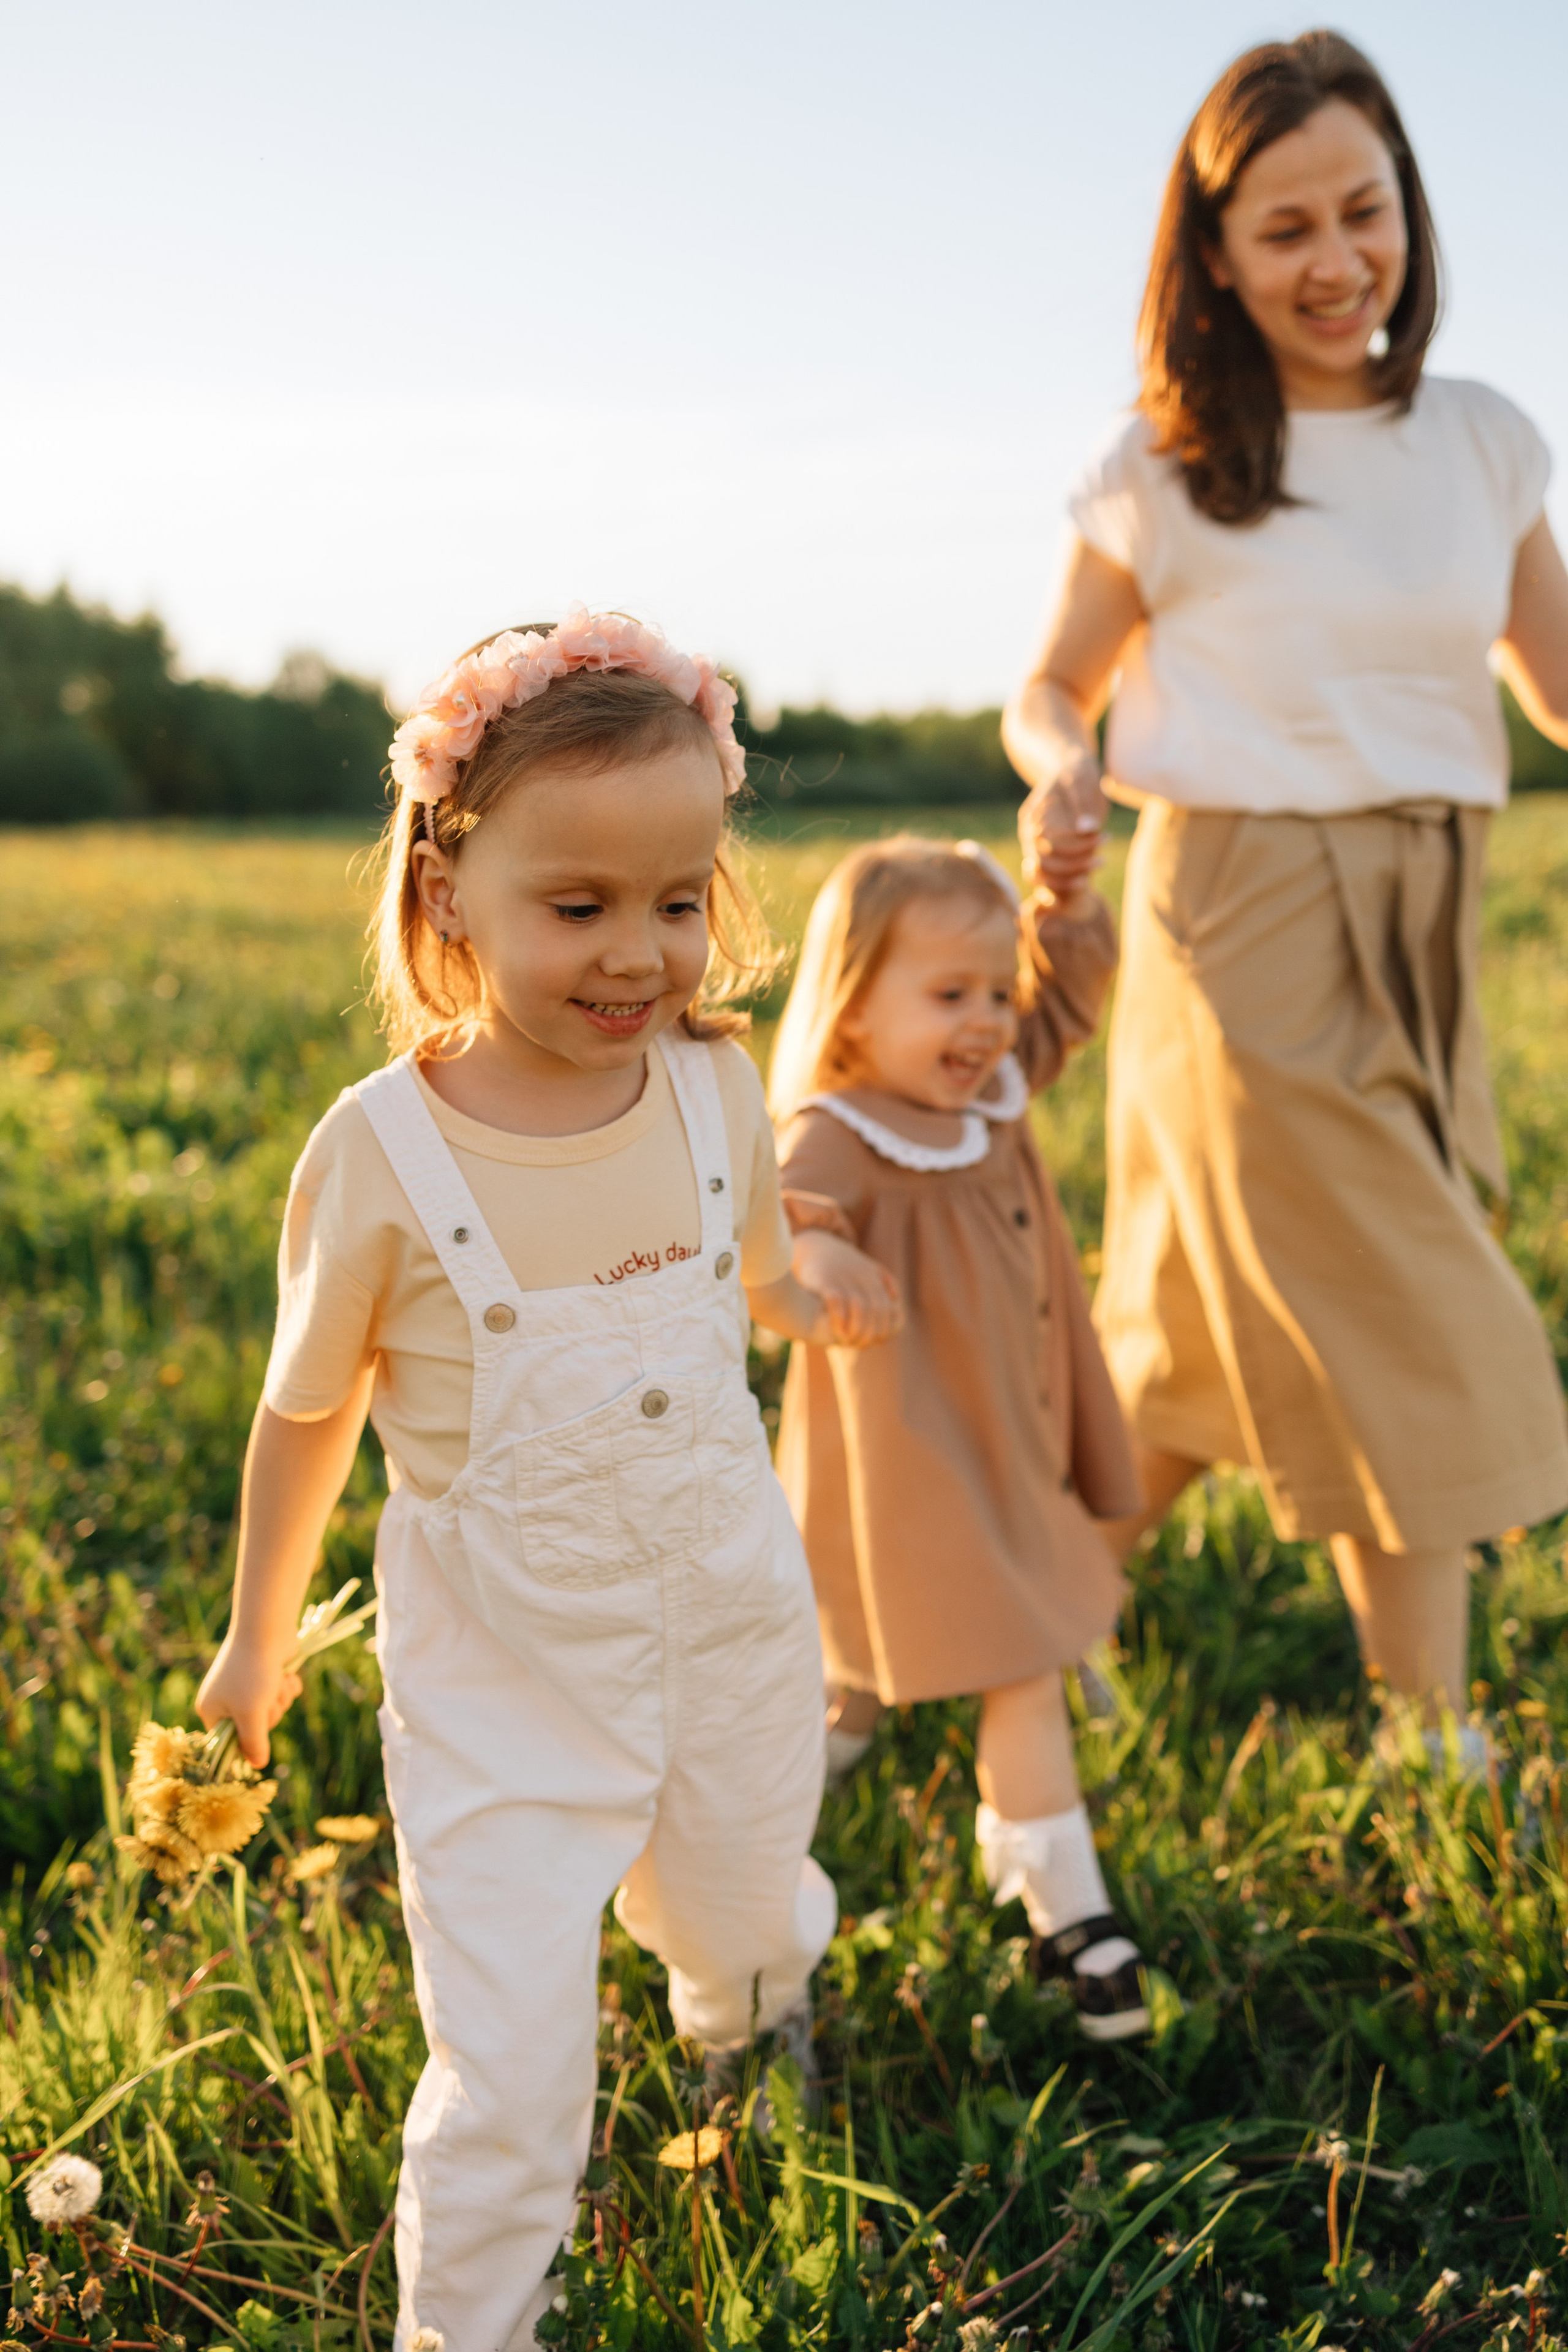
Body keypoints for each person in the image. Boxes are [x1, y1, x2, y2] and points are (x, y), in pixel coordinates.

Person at [195, 610, 900, 2352]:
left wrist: (821, 1293)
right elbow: (306, 1419)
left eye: (677, 902)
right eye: (575, 906)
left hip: (730, 1629)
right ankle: (474, 2320)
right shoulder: (380, 1150)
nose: (637, 954)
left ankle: (747, 2052)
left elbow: (754, 1279)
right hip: (503, 1683)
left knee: (742, 1916)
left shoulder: (714, 1090)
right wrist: (253, 1645)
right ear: (450, 889)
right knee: (508, 2057)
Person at [1002, 31, 1568, 1760]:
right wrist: (1062, 769)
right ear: (1219, 255)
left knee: (1185, 1335)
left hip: (1428, 906)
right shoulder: (1162, 464)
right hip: (1234, 909)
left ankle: (1038, 1617)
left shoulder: (1480, 441)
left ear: (1410, 210)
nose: (1336, 265)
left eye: (1365, 214)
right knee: (1408, 1291)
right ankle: (1432, 1727)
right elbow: (1049, 686)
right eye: (1287, 231)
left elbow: (1555, 685)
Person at [768, 834, 1149, 2040]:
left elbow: (1068, 1001)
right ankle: (1059, 1901)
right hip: (910, 1465)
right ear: (850, 1002)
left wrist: (1065, 903)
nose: (986, 1022)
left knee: (883, 1658)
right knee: (1006, 1658)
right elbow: (770, 1216)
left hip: (1014, 1436)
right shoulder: (842, 1125)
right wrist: (820, 1253)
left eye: (995, 991)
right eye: (948, 996)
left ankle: (816, 1774)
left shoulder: (985, 1096)